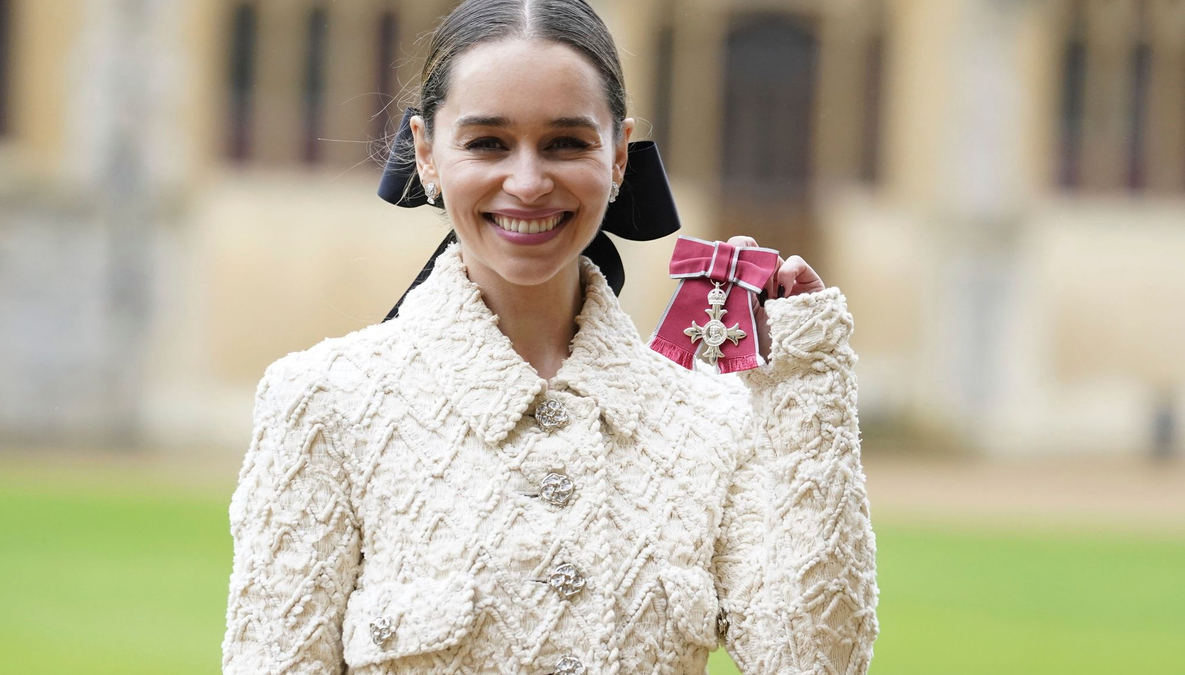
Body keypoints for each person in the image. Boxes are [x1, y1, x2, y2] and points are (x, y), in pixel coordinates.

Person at [221, 0, 879, 673]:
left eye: (566, 142)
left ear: (619, 155)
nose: (529, 182)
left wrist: (803, 375)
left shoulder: (711, 420)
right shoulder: (322, 402)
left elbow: (813, 661)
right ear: (426, 153)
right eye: (487, 143)